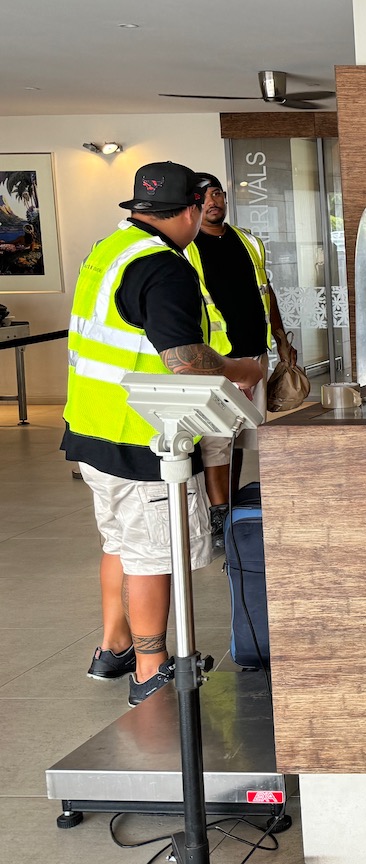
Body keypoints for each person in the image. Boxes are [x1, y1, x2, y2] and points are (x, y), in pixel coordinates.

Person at [61, 163, 265, 706]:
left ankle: (115, 646)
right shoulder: (163, 267)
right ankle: (151, 670)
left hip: (93, 426)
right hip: (142, 437)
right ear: (194, 207)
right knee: (154, 553)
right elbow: (185, 361)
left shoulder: (110, 248)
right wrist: (244, 370)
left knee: (122, 542)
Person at [184, 173, 293, 539]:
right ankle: (219, 513)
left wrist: (280, 338)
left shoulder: (246, 241)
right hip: (216, 360)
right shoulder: (187, 247)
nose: (212, 202)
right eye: (203, 198)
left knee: (243, 434)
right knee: (217, 439)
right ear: (193, 206)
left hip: (253, 354)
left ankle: (231, 502)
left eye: (216, 194)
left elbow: (267, 290)